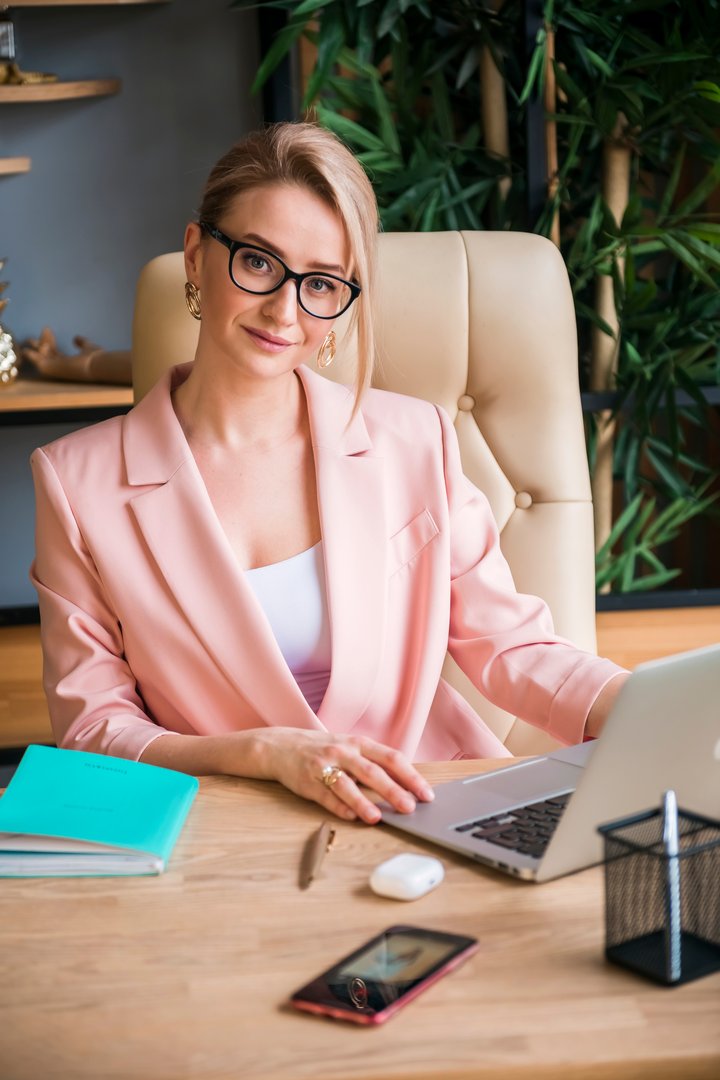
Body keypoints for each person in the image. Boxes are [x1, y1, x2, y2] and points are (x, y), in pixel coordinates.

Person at [30, 122, 628, 827]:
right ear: (197, 256)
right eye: (258, 262)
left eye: (320, 283)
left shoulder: (414, 440)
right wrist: (262, 754)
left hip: (427, 812)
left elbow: (512, 648)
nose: (285, 312)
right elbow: (94, 729)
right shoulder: (77, 483)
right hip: (225, 830)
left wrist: (646, 704)